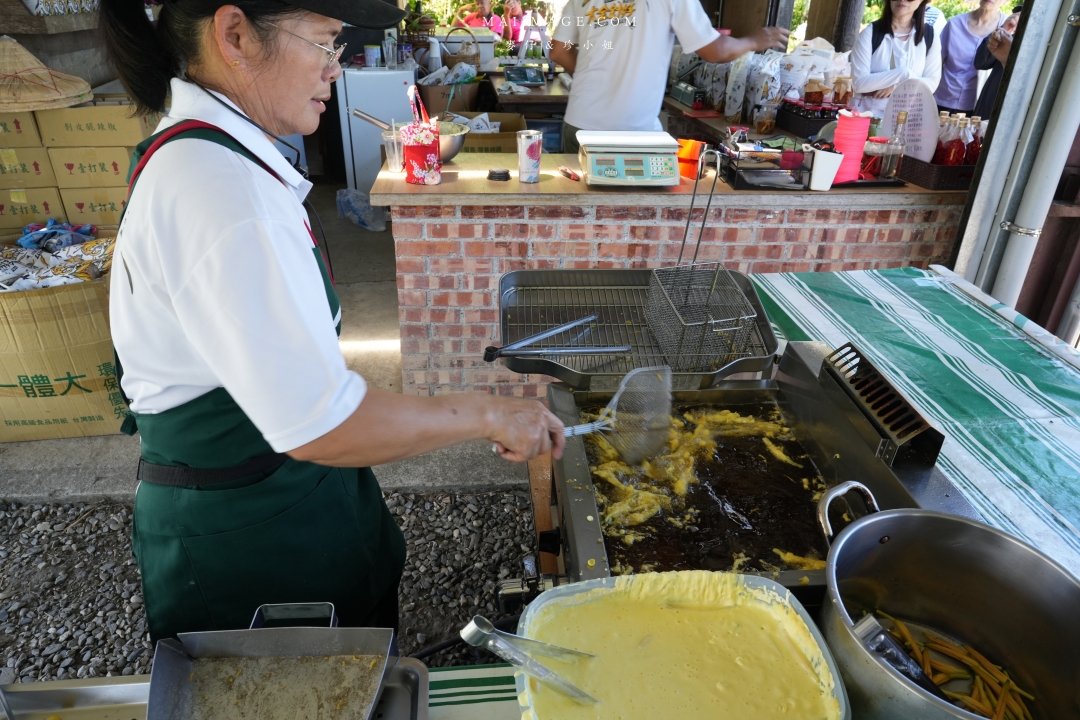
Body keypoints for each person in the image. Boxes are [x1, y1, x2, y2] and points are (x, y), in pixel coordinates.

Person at [98, 0, 565, 642]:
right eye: (324, 43)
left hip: (284, 497)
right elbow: (323, 424)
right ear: (235, 35)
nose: (335, 72)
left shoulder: (216, 155)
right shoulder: (221, 191)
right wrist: (489, 411)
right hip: (251, 539)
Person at [549, 0, 788, 153]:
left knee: (579, 217)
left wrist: (594, 76)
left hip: (582, 122)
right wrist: (753, 40)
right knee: (631, 219)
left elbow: (560, 50)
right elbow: (715, 50)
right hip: (635, 130)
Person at [851, 0, 942, 117]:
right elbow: (858, 83)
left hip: (909, 121)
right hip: (868, 117)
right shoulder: (870, 33)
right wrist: (902, 74)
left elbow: (931, 84)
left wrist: (895, 86)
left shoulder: (930, 36)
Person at [935, 0, 1008, 114]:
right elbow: (937, 62)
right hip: (942, 100)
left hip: (979, 106)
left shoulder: (1007, 29)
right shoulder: (954, 23)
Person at [972, 6, 1021, 119]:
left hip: (1013, 114)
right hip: (988, 107)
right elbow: (980, 62)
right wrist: (1003, 31)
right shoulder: (1013, 29)